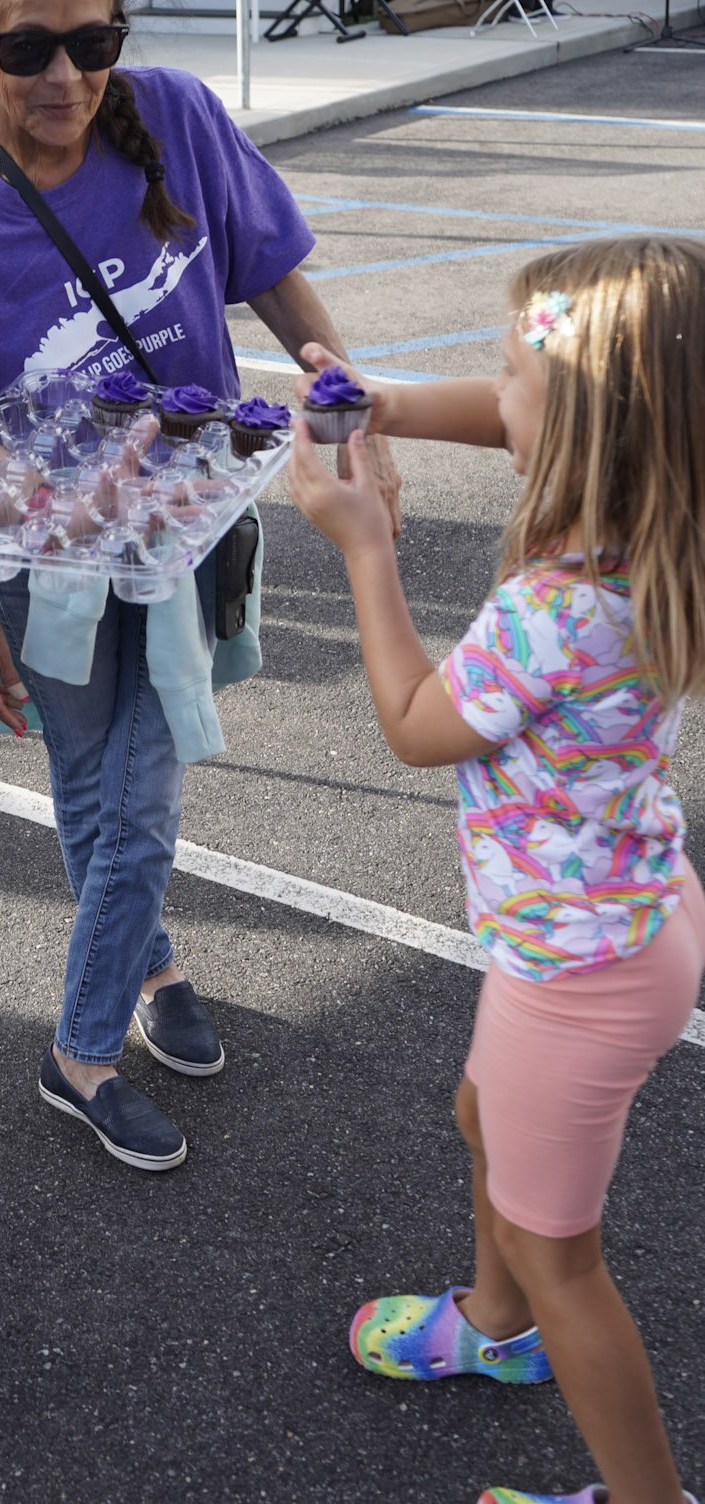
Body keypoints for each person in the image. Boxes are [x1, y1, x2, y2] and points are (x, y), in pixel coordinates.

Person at [0, 0, 401, 1173]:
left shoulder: (177, 118)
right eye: (28, 49)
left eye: (92, 42)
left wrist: (341, 396)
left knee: (133, 792)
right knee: (102, 787)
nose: (65, 76)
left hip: (181, 532)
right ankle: (116, 1010)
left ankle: (109, 1011)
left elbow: (273, 275)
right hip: (38, 559)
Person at [287, 236, 705, 1504]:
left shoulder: (557, 608)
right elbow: (525, 401)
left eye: (510, 378)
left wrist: (364, 542)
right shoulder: (663, 518)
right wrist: (386, 402)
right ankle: (494, 1320)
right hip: (623, 918)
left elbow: (419, 725)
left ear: (579, 429)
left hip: (575, 966)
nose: (493, 394)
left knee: (557, 1246)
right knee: (484, 1116)